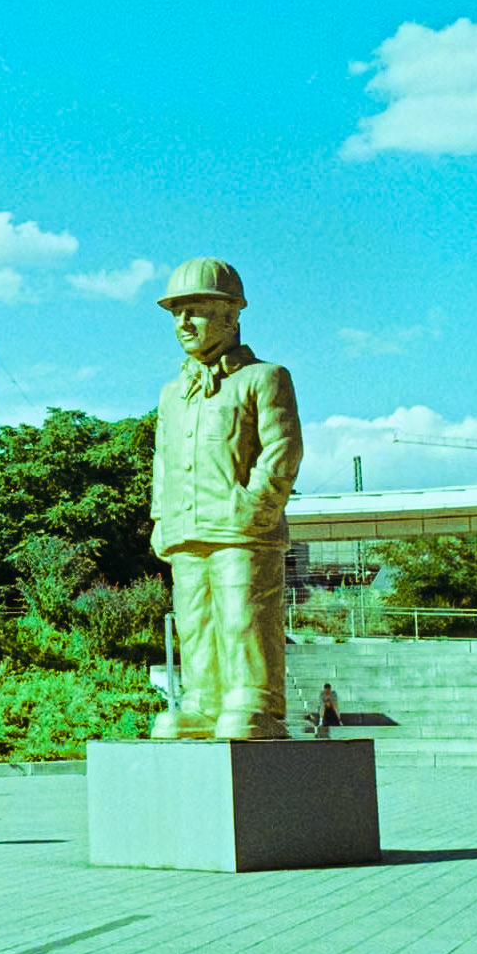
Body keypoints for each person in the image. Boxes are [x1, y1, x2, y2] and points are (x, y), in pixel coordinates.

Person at [147, 257, 303, 742]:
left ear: (232, 315)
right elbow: (161, 458)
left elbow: (283, 450)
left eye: (194, 310)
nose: (183, 323)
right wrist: (160, 516)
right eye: (176, 313)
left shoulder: (264, 377)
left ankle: (254, 699)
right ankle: (201, 701)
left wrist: (255, 507)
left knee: (243, 616)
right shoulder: (172, 393)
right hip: (186, 527)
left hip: (242, 529)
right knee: (194, 621)